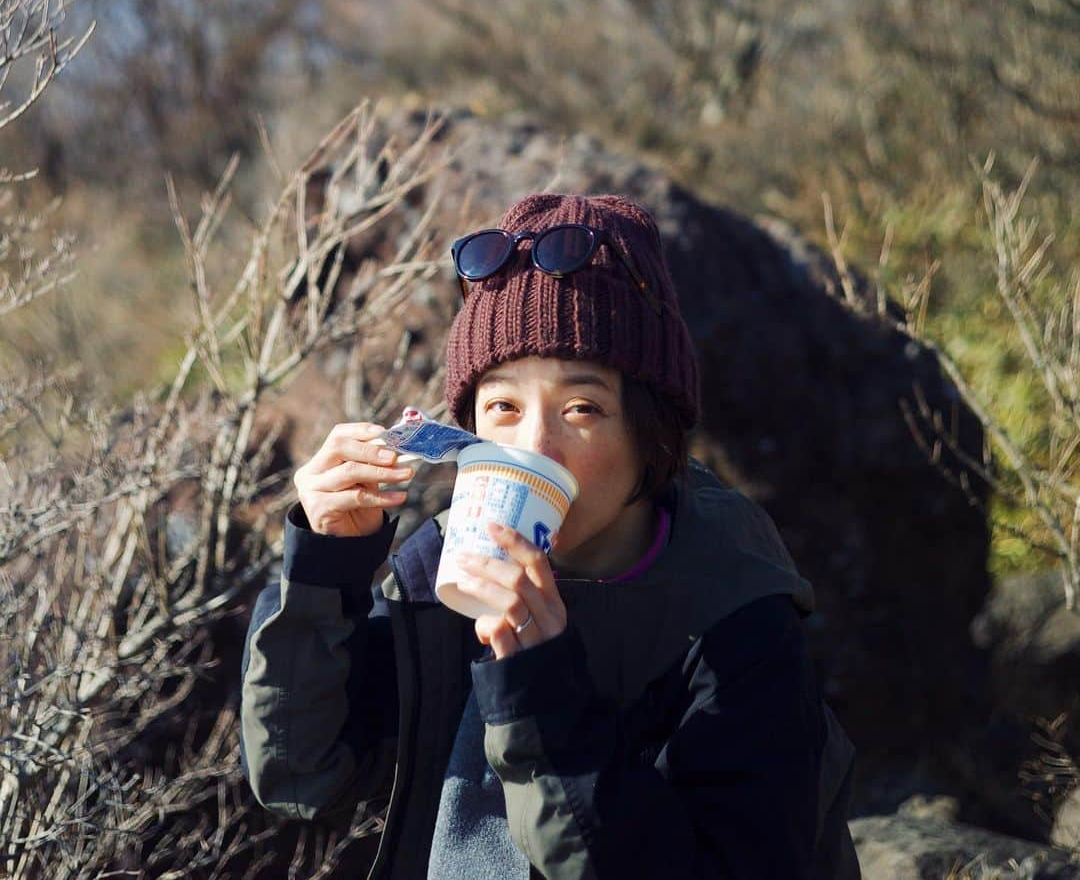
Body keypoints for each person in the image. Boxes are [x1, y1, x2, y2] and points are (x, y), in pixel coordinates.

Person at [240, 192, 860, 878]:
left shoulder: (736, 617)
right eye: (502, 405)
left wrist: (540, 689)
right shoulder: (435, 578)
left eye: (581, 407)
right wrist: (327, 564)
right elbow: (300, 776)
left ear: (650, 435)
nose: (534, 444)